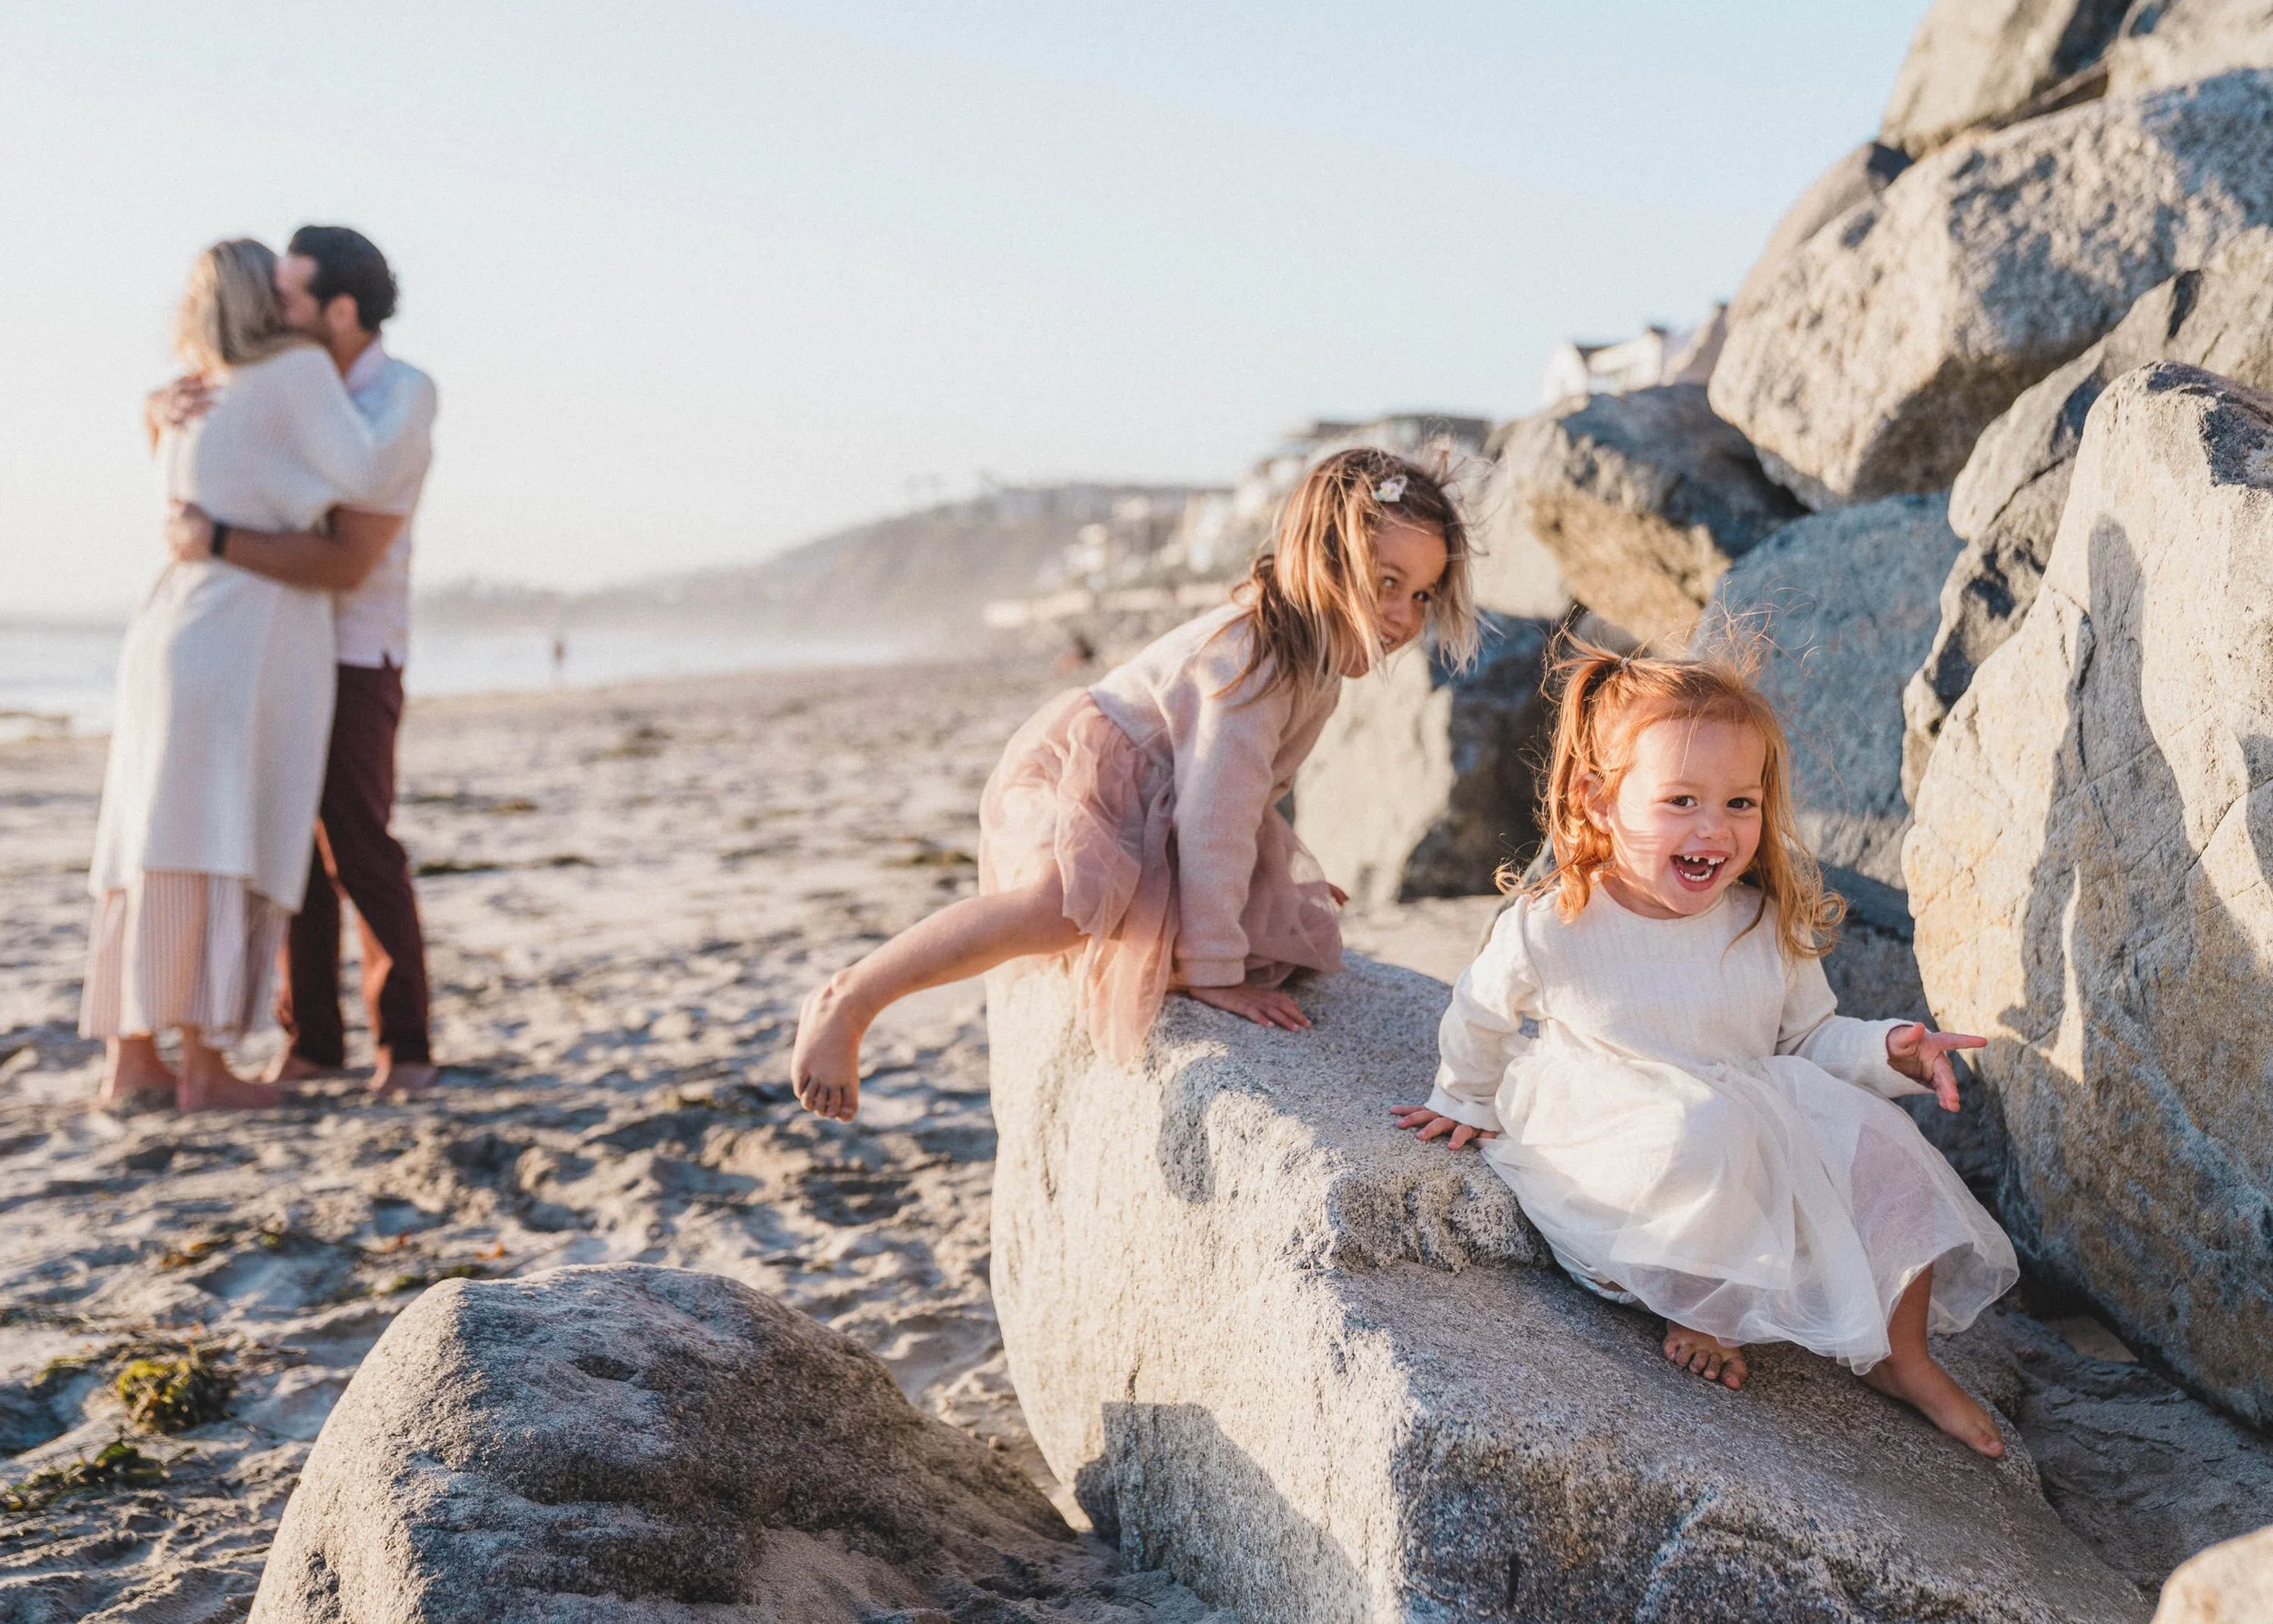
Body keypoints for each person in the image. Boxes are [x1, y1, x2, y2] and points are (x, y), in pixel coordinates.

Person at [1394, 639, 2019, 1456]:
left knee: (1888, 1150)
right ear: (1597, 801)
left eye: (1739, 804)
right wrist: (1465, 1099)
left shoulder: (1760, 921)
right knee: (1704, 1131)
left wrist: (1886, 1051)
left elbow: (1808, 1037)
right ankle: (1697, 1305)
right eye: (1681, 800)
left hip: (1748, 1116)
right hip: (1631, 1140)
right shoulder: (1561, 924)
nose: (1713, 829)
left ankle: (1901, 1358)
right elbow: (1481, 1010)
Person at [790, 447, 1479, 1121]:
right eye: (1387, 582)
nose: (1404, 616)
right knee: (1056, 907)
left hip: (1162, 801)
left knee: (1281, 927)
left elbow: (1245, 796)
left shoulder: (1314, 664)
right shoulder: (1252, 661)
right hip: (1093, 786)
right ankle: (854, 997)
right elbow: (1215, 818)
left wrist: (1273, 877)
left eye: (1421, 594)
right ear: (1320, 560)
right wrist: (1218, 976)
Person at [84, 239, 409, 1110]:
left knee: (147, 840)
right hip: (242, 633)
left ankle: (133, 1058)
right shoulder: (296, 373)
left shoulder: (187, 392)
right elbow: (367, 471)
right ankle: (206, 1068)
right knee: (217, 837)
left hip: (163, 628)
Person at [160, 226, 440, 1098]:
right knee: (288, 842)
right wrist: (165, 406)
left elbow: (345, 553)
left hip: (355, 645)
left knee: (357, 846)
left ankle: (409, 1050)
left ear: (340, 311)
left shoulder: (401, 397)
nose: (269, 313)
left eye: (288, 299)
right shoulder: (283, 379)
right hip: (281, 642)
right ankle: (312, 1042)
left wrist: (217, 536)